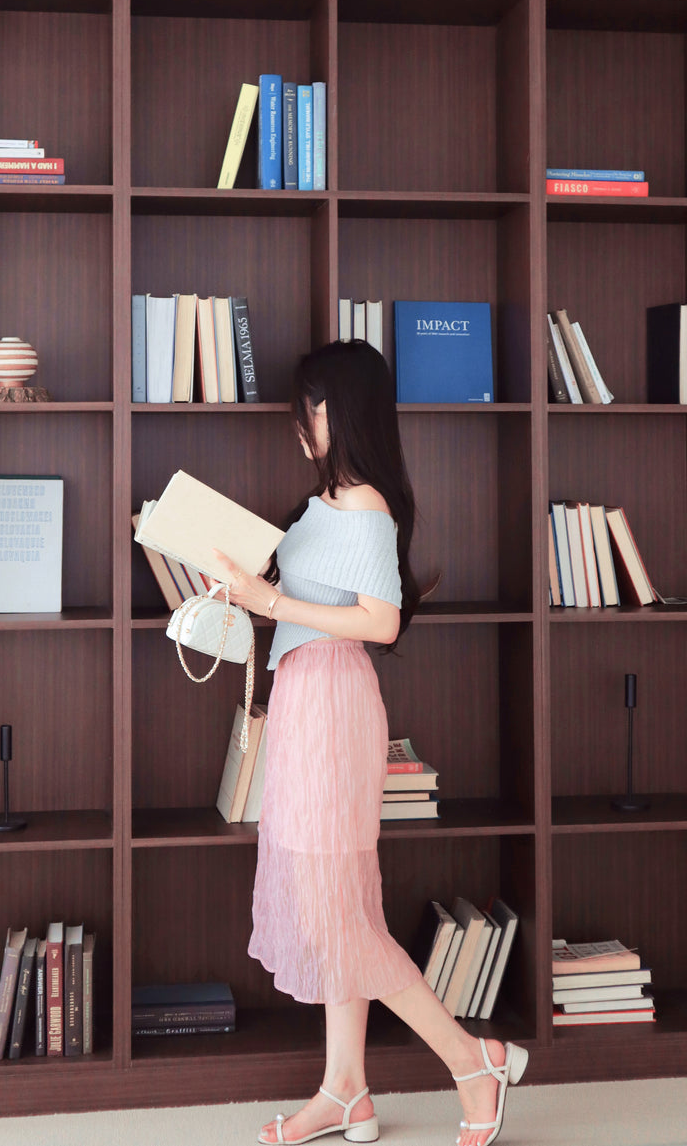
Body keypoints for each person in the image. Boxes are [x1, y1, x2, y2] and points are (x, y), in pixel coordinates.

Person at [212, 340, 527, 1146]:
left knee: (341, 921)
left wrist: (272, 601)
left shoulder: (368, 508)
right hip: (304, 702)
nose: (298, 422)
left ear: (340, 411)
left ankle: (473, 1058)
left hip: (334, 703)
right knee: (337, 909)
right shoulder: (325, 503)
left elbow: (380, 621)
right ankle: (345, 1088)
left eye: (309, 407)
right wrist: (247, 596)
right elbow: (304, 606)